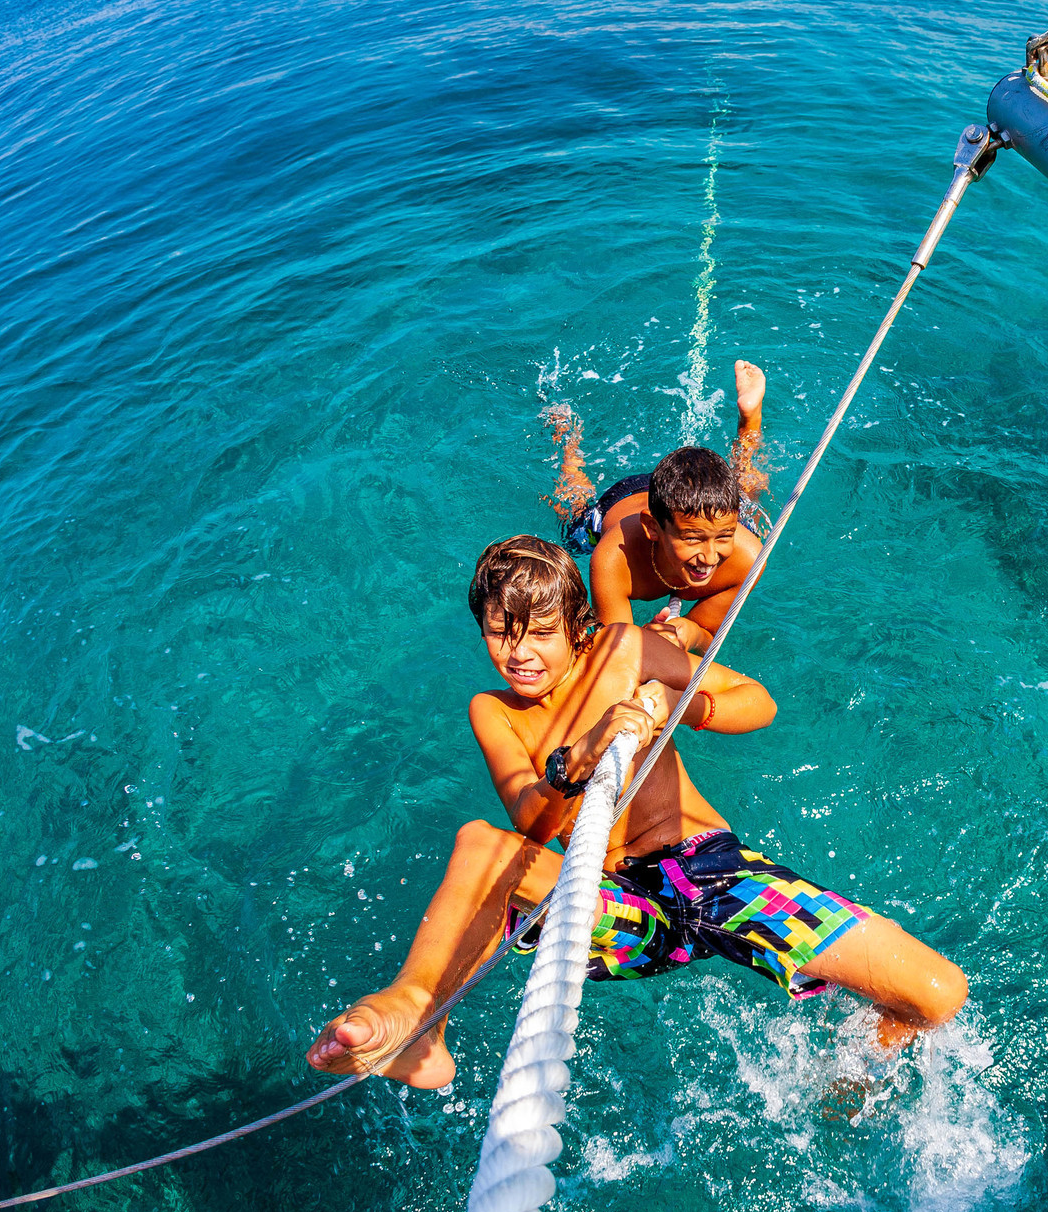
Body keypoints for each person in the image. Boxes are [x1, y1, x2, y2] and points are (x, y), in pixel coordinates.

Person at [305, 535, 966, 1088]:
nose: (520, 652)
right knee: (481, 843)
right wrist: (577, 760)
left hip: (720, 879)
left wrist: (678, 703)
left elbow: (757, 700)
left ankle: (851, 1080)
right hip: (621, 907)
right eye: (501, 632)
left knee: (938, 993)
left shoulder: (623, 651)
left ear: (577, 627)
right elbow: (529, 820)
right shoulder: (495, 711)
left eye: (540, 632)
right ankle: (418, 1018)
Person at [547, 361, 767, 653]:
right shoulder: (613, 560)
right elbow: (615, 656)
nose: (710, 557)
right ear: (652, 527)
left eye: (724, 537)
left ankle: (750, 420)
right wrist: (643, 643)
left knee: (747, 495)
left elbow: (706, 636)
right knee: (574, 513)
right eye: (692, 539)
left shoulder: (747, 559)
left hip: (696, 510)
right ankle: (568, 445)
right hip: (623, 503)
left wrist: (688, 633)